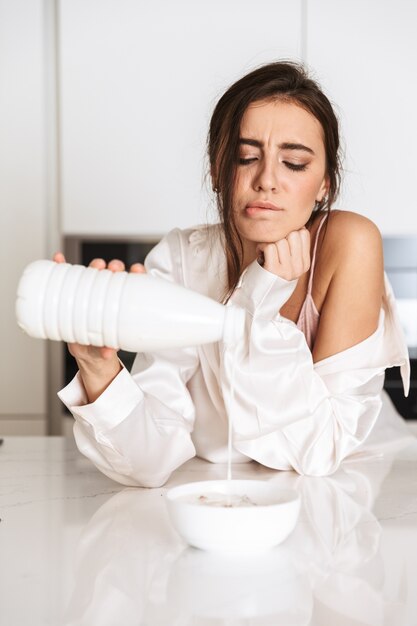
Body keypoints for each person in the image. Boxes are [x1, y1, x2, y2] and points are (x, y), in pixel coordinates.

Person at [56, 61, 410, 487]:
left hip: (346, 489)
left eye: (294, 163)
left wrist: (260, 298)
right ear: (217, 171)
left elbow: (319, 450)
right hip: (214, 490)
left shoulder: (348, 242)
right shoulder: (182, 260)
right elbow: (150, 463)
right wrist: (100, 370)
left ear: (325, 186)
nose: (266, 180)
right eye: (246, 157)